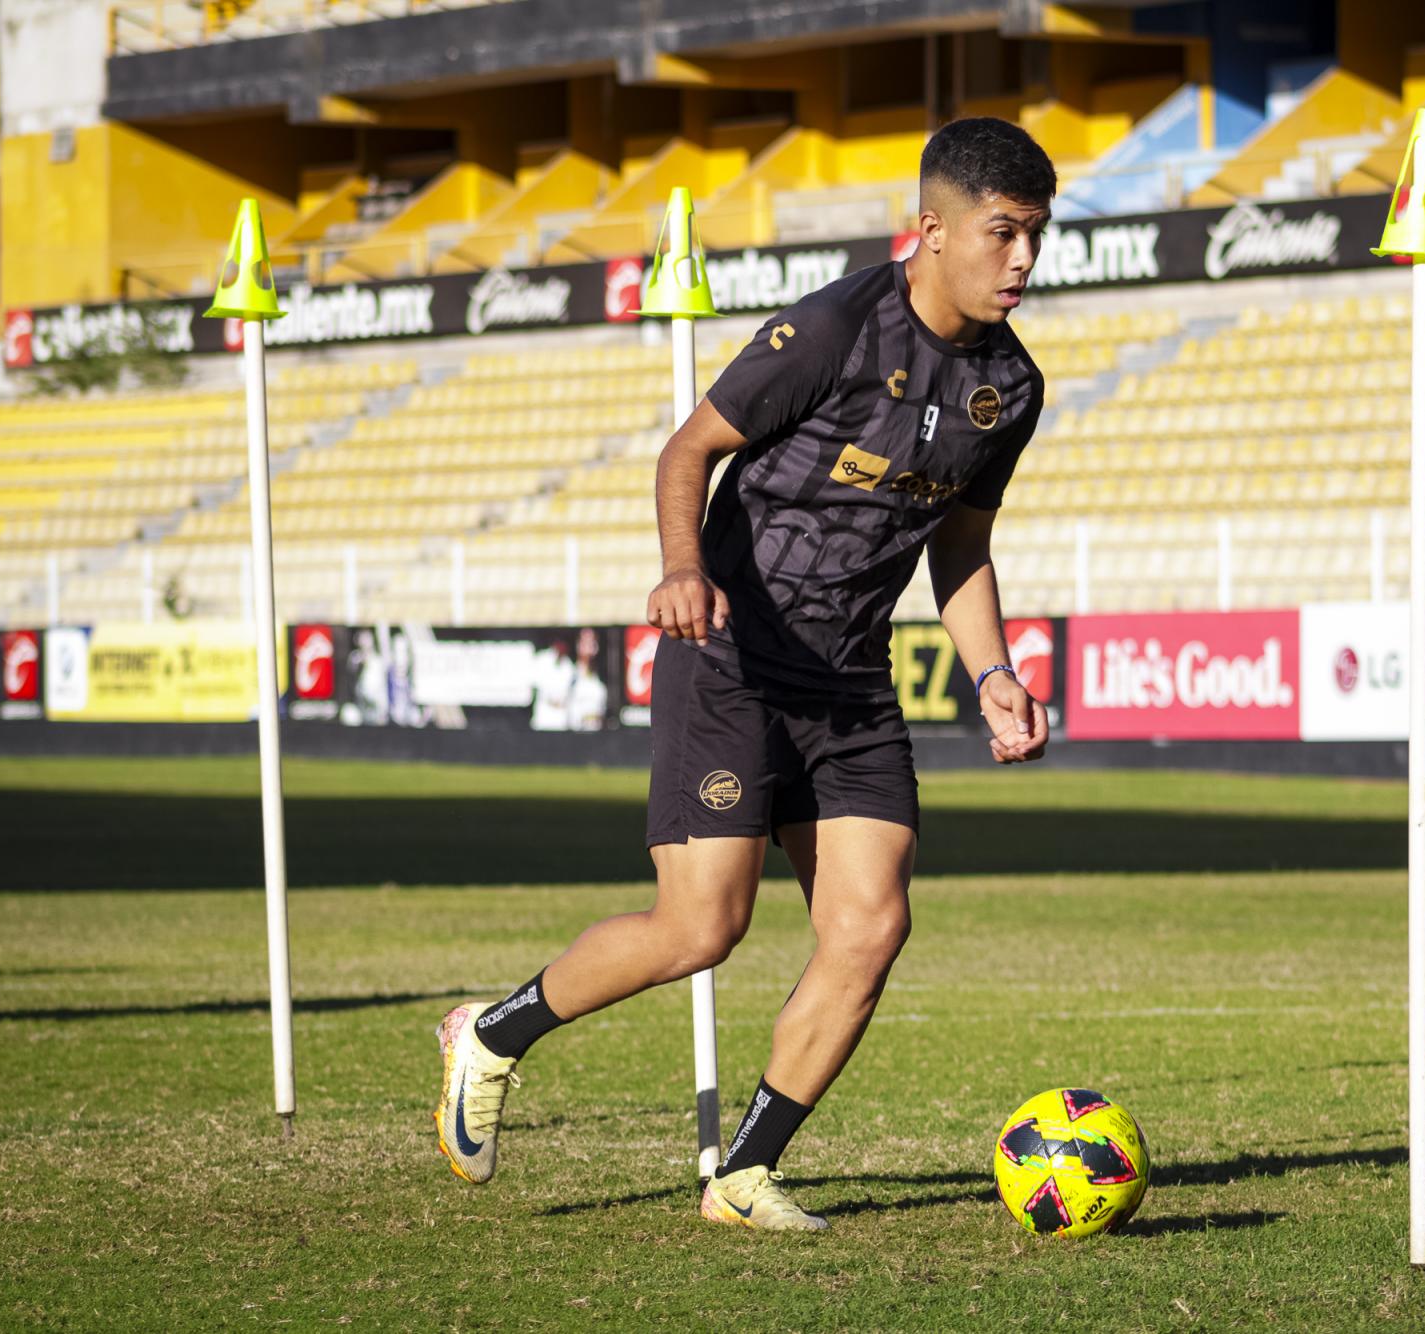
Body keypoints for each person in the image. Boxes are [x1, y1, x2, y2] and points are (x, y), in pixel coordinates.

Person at [433, 117, 1055, 1230]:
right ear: (930, 230)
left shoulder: (1007, 387)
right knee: (699, 928)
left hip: (853, 685)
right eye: (1001, 232)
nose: (1022, 259)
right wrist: (682, 568)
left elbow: (958, 544)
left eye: (1035, 236)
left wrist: (991, 670)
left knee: (869, 926)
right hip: (730, 662)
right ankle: (490, 1032)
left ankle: (743, 1172)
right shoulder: (829, 329)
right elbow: (687, 451)